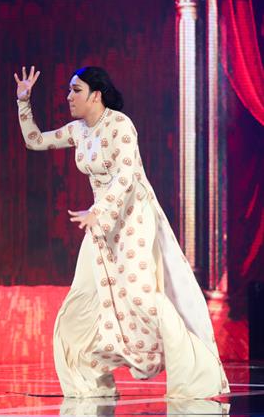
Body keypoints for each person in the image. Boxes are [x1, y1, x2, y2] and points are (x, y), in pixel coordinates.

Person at [14, 65, 229, 398]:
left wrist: (99, 212)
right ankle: (91, 382)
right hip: (99, 219)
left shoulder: (120, 125)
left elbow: (126, 177)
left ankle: (196, 376)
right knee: (84, 299)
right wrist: (23, 101)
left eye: (76, 90)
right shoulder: (78, 130)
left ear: (96, 95)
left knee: (142, 297)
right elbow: (35, 141)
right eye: (69, 90)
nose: (69, 96)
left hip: (131, 216)